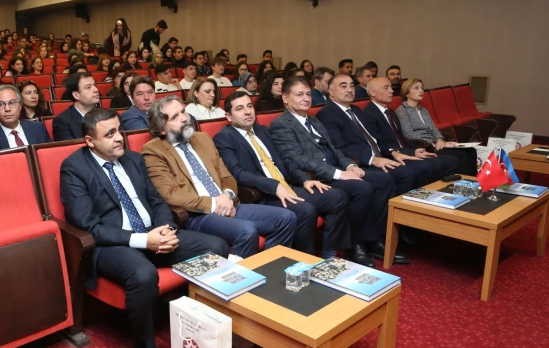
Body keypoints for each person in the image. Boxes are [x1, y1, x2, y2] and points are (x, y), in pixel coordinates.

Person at [60, 107, 228, 348]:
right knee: (143, 274)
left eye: (119, 130)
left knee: (216, 246)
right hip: (112, 243)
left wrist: (166, 230)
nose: (119, 138)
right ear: (90, 141)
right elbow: (89, 226)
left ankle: (202, 324)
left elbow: (157, 201)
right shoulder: (74, 168)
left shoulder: (134, 160)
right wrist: (142, 240)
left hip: (153, 233)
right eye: (109, 134)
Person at [269, 77, 405, 267]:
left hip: (336, 169)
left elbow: (335, 150)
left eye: (308, 94)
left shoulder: (314, 121)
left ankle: (373, 238)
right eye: (299, 95)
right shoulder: (282, 124)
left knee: (383, 180)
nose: (306, 99)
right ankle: (355, 245)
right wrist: (339, 174)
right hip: (318, 176)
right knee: (363, 189)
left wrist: (349, 166)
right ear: (285, 98)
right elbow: (298, 159)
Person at [142, 96, 295, 258]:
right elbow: (171, 195)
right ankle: (238, 273)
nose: (184, 118)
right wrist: (214, 203)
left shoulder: (203, 138)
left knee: (286, 218)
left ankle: (267, 264)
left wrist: (228, 196)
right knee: (246, 231)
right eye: (175, 117)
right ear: (161, 129)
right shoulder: (153, 151)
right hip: (197, 214)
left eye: (183, 112)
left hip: (228, 203)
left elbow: (226, 177)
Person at [214, 92, 349, 257]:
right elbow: (237, 173)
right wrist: (274, 186)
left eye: (249, 106)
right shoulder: (224, 138)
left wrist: (304, 179)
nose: (248, 112)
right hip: (263, 194)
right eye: (240, 109)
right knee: (305, 210)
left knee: (337, 197)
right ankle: (305, 260)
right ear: (229, 116)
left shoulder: (262, 130)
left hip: (287, 185)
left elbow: (284, 160)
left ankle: (329, 254)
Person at [316, 73, 419, 199]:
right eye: (343, 86)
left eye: (351, 86)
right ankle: (393, 210)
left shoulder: (356, 110)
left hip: (379, 156)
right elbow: (339, 148)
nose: (349, 90)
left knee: (412, 168)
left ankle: (406, 208)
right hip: (360, 163)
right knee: (400, 174)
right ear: (331, 91)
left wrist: (392, 152)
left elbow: (375, 138)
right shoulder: (326, 114)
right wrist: (372, 159)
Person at [361, 77, 458, 183]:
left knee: (450, 161)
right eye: (386, 88)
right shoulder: (367, 114)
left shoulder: (390, 112)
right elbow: (380, 144)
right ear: (373, 92)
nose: (391, 91)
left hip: (404, 150)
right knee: (430, 165)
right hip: (391, 155)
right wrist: (410, 152)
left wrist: (415, 150)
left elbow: (402, 137)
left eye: (391, 87)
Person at [396, 79, 477, 174]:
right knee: (461, 155)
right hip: (423, 146)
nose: (421, 91)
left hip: (434, 145)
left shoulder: (423, 110)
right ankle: (464, 182)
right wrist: (432, 143)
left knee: (471, 151)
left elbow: (434, 129)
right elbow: (408, 134)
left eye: (422, 88)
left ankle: (475, 181)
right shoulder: (402, 111)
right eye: (416, 88)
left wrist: (440, 140)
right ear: (406, 93)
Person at [0, 85, 51, 151]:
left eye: (12, 103)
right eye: (1, 104)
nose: (7, 109)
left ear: (20, 106)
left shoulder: (38, 128)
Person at [53, 73, 100, 142]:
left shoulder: (104, 114)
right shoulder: (63, 121)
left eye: (94, 85)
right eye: (88, 87)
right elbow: (71, 148)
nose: (96, 89)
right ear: (76, 95)